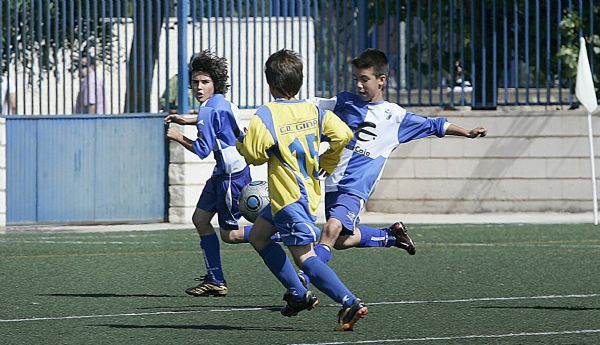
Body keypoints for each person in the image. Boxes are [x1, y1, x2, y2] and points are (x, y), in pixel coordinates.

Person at [300, 48, 487, 287]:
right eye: (356, 79)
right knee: (340, 240)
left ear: (381, 80)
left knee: (331, 229)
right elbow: (310, 106)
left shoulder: (394, 117)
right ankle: (390, 236)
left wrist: (467, 133)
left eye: (364, 79)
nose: (359, 85)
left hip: (355, 188)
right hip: (331, 183)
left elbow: (435, 125)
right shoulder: (343, 102)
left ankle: (305, 277)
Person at [236, 49, 368, 332]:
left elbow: (255, 156)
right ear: (300, 81)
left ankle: (350, 302)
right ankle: (298, 294)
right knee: (259, 236)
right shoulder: (312, 110)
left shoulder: (266, 114)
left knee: (305, 257)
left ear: (270, 84)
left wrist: (242, 142)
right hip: (306, 193)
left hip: (288, 198)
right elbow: (343, 134)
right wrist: (327, 161)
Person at [165, 50, 252, 297]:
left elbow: (202, 150)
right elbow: (214, 119)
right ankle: (215, 280)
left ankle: (281, 233)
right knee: (200, 220)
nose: (199, 87)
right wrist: (186, 120)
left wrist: (177, 135)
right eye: (195, 82)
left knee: (231, 235)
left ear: (215, 82)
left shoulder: (207, 111)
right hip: (225, 173)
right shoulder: (223, 103)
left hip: (230, 177)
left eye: (205, 82)